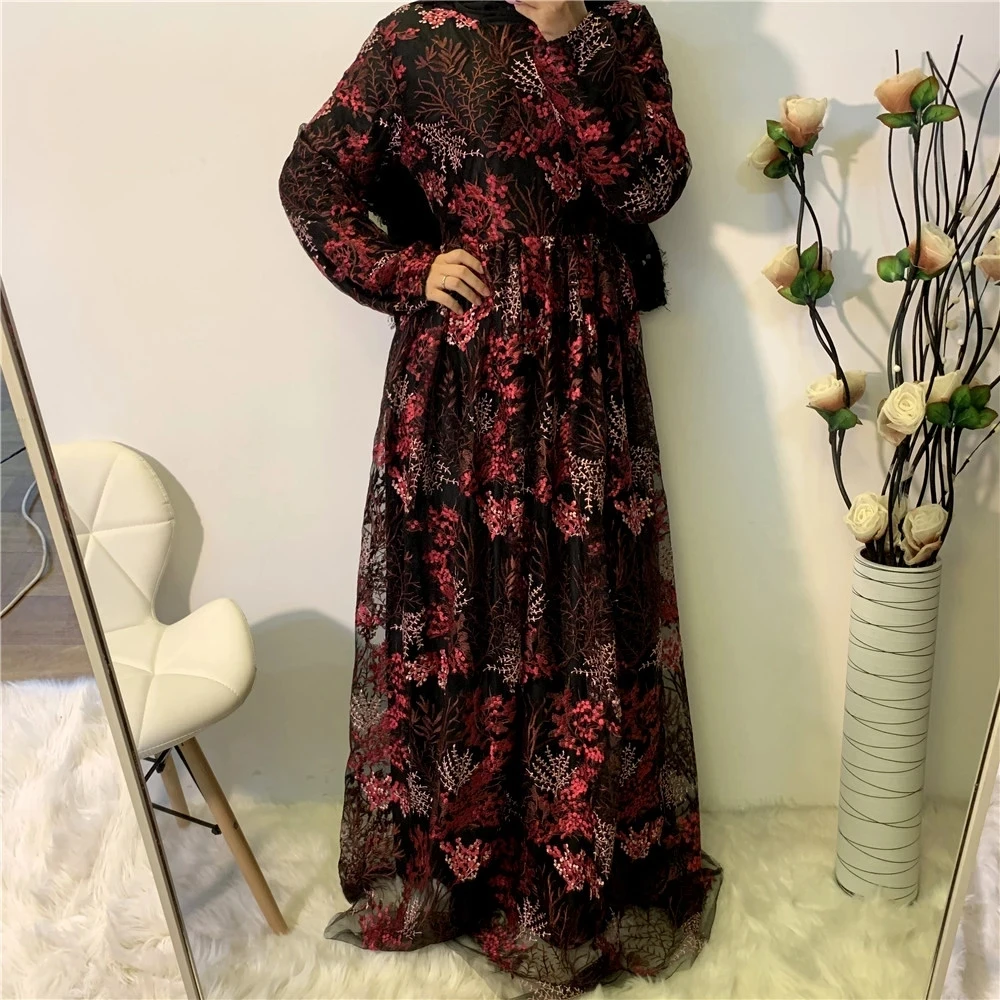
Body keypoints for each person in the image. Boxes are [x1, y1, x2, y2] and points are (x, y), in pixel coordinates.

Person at [278, 2, 722, 996]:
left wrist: (572, 40)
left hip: (586, 368)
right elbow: (311, 180)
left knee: (585, 612)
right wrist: (404, 268)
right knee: (462, 608)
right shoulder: (416, 34)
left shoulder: (618, 26)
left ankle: (572, 868)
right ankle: (465, 867)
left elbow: (648, 186)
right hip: (464, 377)